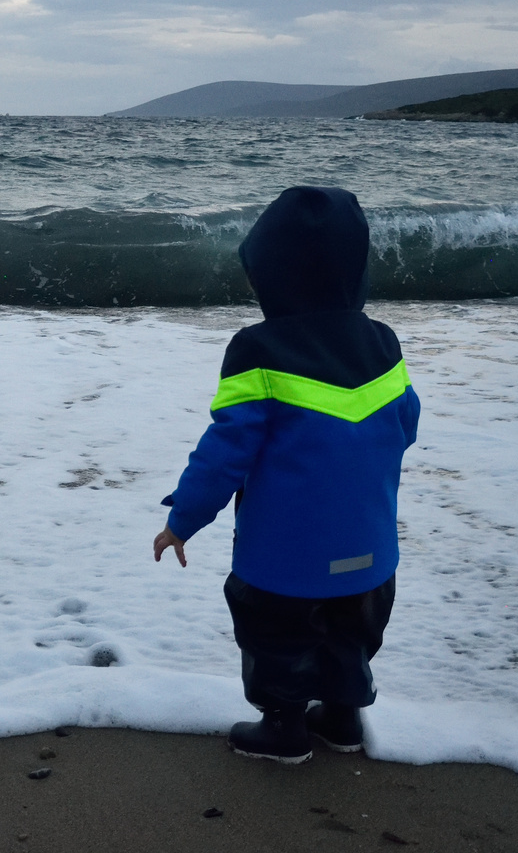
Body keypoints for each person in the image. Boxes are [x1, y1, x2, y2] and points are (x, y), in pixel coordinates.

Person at [153, 186, 419, 763]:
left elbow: (227, 449)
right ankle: (343, 721)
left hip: (282, 557)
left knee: (275, 637)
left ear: (272, 274)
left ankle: (283, 729)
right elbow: (407, 422)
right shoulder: (383, 342)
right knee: (351, 636)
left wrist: (184, 518)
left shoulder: (256, 350)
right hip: (371, 552)